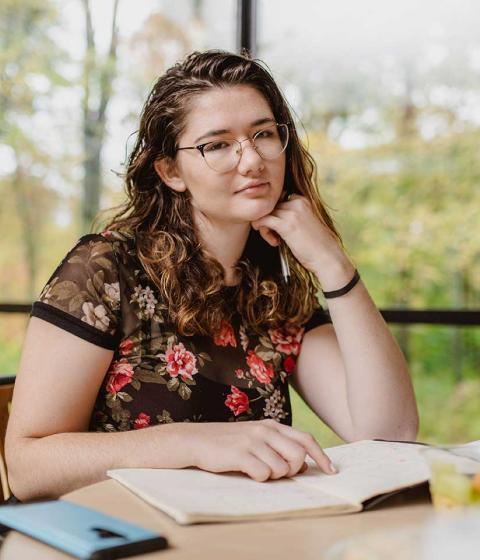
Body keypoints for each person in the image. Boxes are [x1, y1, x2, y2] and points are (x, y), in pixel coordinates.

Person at [5, 50, 418, 501]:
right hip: (131, 539)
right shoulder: (106, 268)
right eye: (217, 145)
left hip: (251, 537)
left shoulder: (273, 291)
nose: (252, 160)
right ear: (170, 170)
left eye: (263, 134)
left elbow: (389, 433)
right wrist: (191, 442)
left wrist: (334, 265)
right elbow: (28, 467)